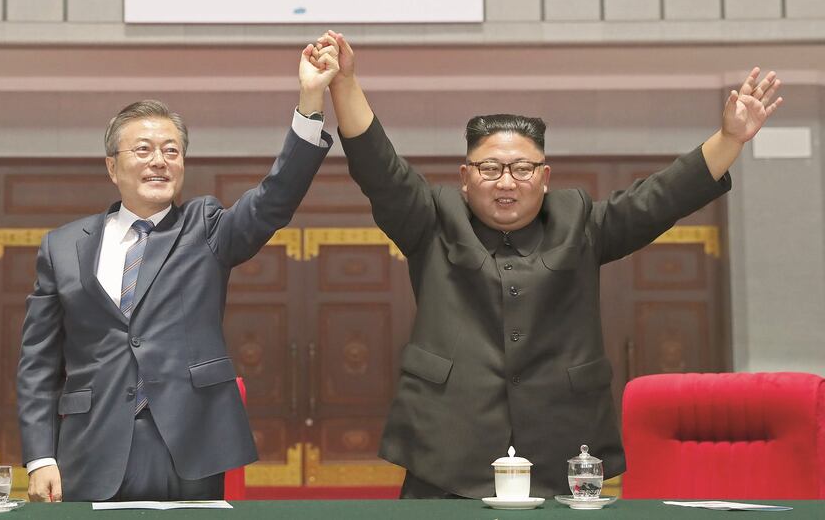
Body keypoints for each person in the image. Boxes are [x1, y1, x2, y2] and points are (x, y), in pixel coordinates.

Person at [315, 30, 783, 499]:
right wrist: (345, 83)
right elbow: (379, 169)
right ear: (465, 178)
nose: (507, 182)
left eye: (523, 168)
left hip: (563, 447)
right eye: (490, 168)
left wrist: (729, 139)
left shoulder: (578, 222)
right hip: (444, 450)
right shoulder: (432, 220)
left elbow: (659, 199)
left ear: (544, 177)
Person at [17, 39, 340, 502]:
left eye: (171, 151)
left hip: (189, 441)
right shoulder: (63, 246)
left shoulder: (204, 227)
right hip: (91, 444)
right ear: (112, 167)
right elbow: (38, 362)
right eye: (143, 149)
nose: (159, 161)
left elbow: (274, 199)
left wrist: (310, 101)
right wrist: (39, 456)